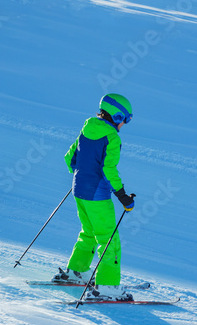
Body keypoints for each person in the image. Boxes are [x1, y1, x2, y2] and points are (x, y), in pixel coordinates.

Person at [52, 94, 137, 301]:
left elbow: (69, 158)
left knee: (89, 232)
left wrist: (83, 175)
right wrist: (123, 196)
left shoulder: (87, 128)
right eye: (126, 119)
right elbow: (108, 170)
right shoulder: (112, 137)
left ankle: (76, 271)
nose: (125, 124)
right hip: (97, 196)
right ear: (117, 117)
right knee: (109, 240)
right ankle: (107, 287)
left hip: (78, 190)